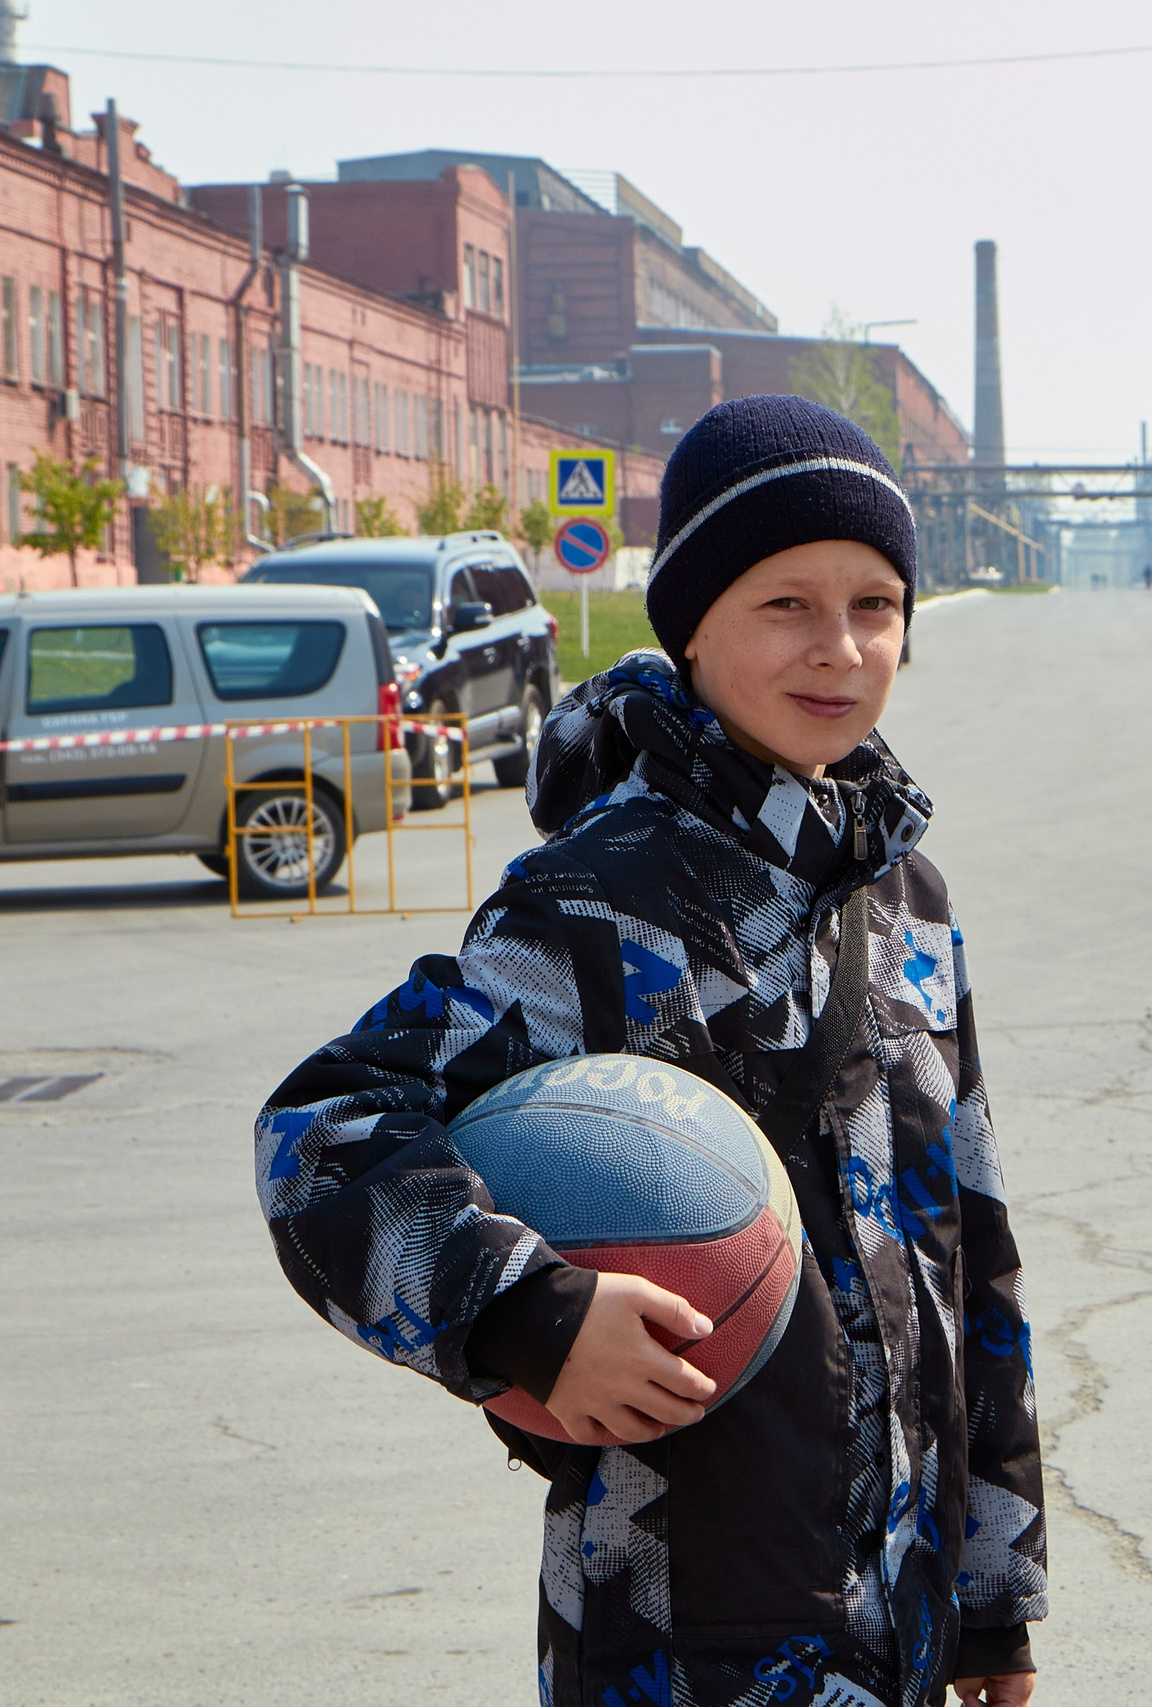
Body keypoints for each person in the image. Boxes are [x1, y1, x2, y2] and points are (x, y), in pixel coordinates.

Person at [255, 396, 1047, 1707]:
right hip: (678, 1636)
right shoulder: (598, 901)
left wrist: (991, 1597)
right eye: (784, 603)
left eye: (875, 603)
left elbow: (973, 1250)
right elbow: (326, 1131)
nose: (839, 647)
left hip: (899, 1628)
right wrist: (520, 1310)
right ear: (688, 625)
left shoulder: (909, 903)